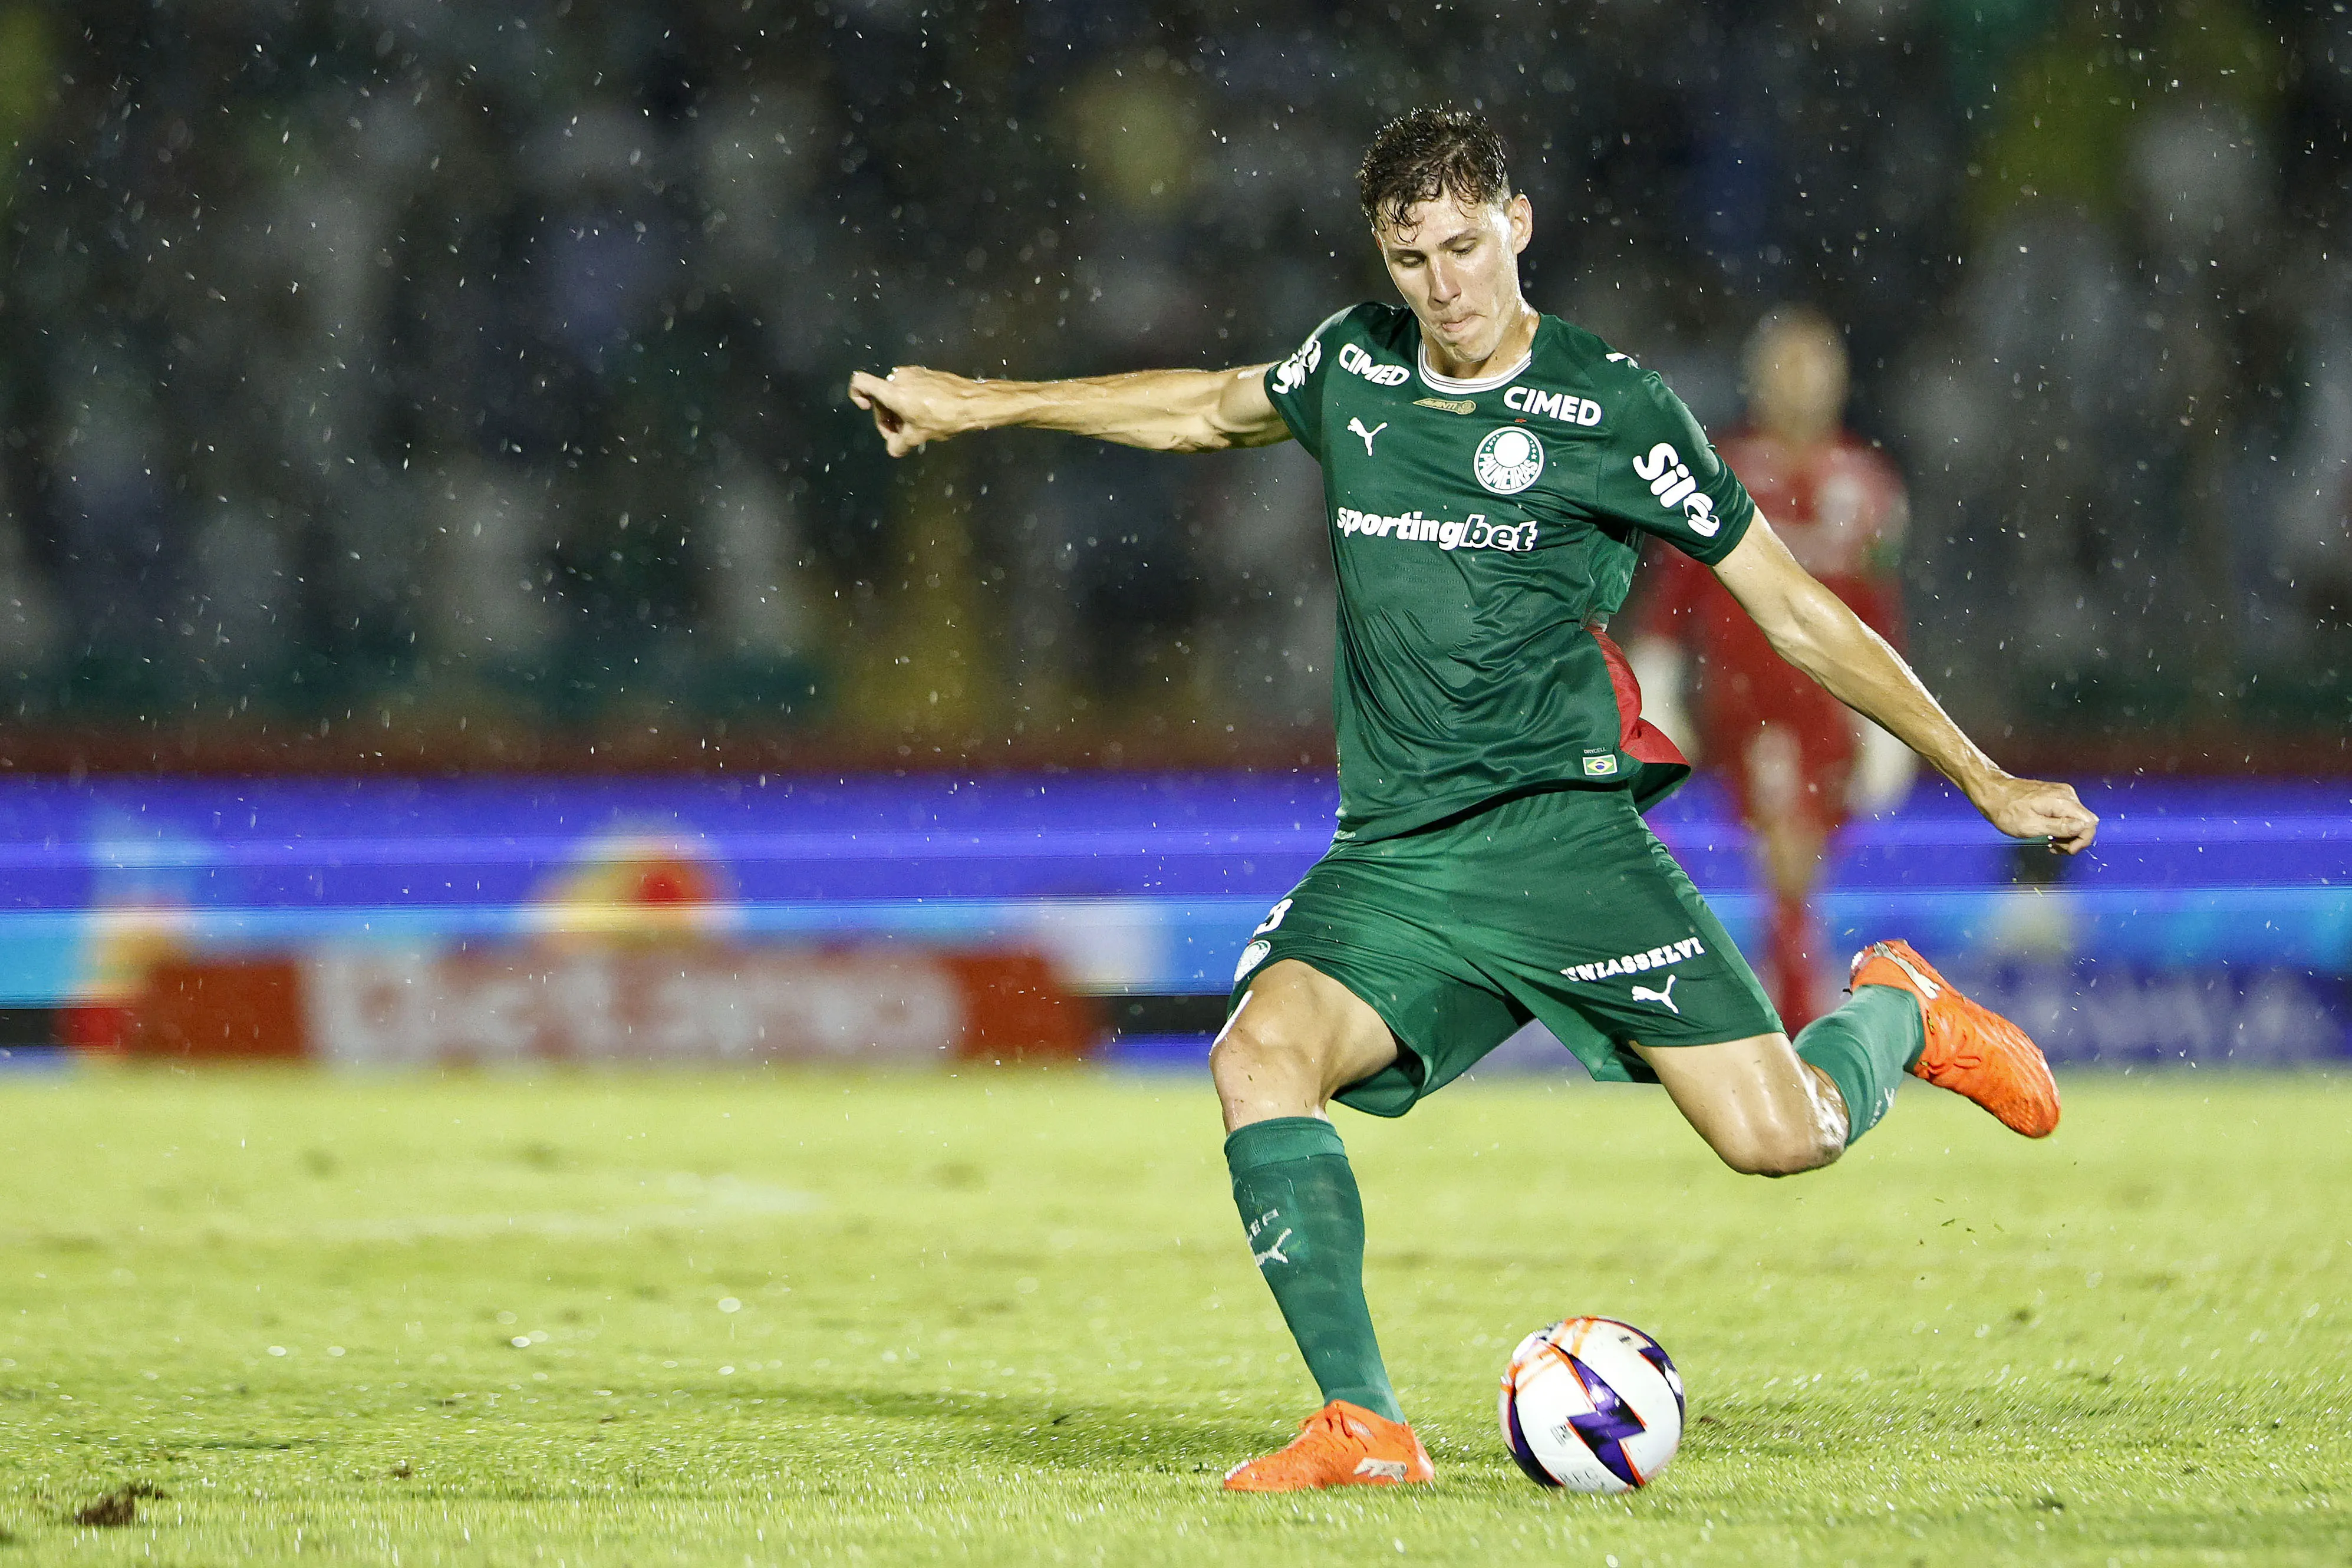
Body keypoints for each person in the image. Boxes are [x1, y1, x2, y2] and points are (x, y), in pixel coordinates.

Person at [849, 108, 2097, 1494]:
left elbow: (1794, 610)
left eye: (1464, 243)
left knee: (1779, 1137)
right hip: (1396, 854)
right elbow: (1206, 405)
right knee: (1259, 1055)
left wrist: (1978, 772)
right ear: (1382, 260)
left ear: (1518, 225)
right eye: (1412, 257)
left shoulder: (1612, 408)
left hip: (1564, 840)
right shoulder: (1355, 366)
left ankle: (1899, 1012)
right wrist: (983, 402)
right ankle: (1365, 1425)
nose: (1446, 284)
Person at [1629, 307, 1915, 1029]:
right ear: (1758, 377)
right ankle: (1787, 1035)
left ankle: (1773, 1021)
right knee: (1784, 862)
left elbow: (1879, 610)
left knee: (1797, 877)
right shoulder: (1720, 469)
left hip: (1832, 708)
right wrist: (1656, 681)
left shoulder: (1870, 485)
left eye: (1813, 364)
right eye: (1785, 364)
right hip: (1751, 706)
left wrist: (1891, 722)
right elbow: (1675, 595)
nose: (1800, 383)